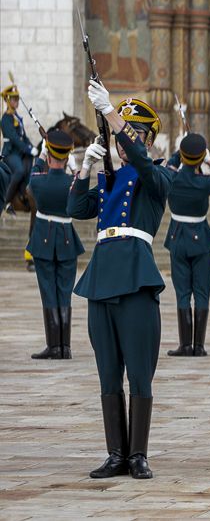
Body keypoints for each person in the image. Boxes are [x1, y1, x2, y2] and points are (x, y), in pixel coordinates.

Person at [70, 84, 172, 479]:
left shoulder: (157, 175)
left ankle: (138, 455)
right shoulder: (110, 180)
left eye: (134, 133)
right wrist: (86, 167)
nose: (124, 141)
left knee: (139, 373)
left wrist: (113, 114)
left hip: (135, 277)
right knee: (108, 371)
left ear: (147, 140)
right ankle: (116, 454)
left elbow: (145, 167)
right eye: (121, 134)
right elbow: (77, 208)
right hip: (101, 279)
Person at [163, 133, 210, 357]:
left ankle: (184, 345)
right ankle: (199, 346)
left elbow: (170, 165)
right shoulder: (204, 183)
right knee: (202, 293)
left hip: (177, 238)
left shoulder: (171, 178)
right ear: (200, 158)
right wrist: (209, 160)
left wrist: (179, 152)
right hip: (200, 239)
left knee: (183, 293)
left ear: (182, 156)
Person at [27, 130, 84, 360]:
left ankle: (54, 347)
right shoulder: (73, 183)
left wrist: (41, 155)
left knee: (49, 292)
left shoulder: (38, 181)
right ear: (67, 155)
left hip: (43, 239)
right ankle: (65, 347)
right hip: (67, 239)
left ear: (50, 155)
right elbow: (81, 182)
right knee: (64, 293)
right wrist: (73, 167)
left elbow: (34, 172)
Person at [1, 84, 38, 210]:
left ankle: (23, 194)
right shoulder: (6, 118)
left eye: (17, 99)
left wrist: (32, 147)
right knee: (19, 170)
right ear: (8, 101)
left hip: (19, 152)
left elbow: (23, 136)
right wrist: (27, 149)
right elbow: (15, 139)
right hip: (10, 153)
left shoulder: (16, 116)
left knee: (29, 166)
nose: (16, 101)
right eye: (14, 99)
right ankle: (5, 200)